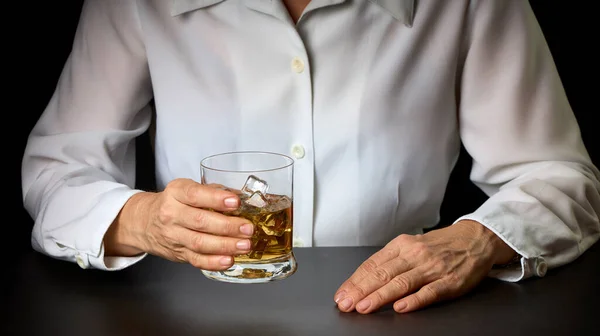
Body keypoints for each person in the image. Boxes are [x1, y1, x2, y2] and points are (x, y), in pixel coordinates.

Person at [22, 0, 600, 314]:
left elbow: (559, 176)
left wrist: (479, 238)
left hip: (400, 330)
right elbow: (57, 172)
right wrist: (143, 221)